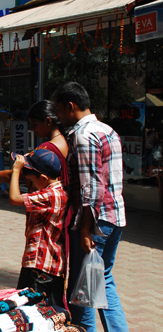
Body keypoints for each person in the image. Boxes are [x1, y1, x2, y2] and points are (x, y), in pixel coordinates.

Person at [53, 82, 128, 331]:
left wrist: (85, 229)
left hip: (95, 222)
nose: (58, 117)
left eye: (59, 111)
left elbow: (91, 188)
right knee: (102, 279)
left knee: (82, 286)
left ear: (70, 107)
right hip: (114, 217)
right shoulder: (108, 130)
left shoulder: (84, 136)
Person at [8, 150, 67, 308]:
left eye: (32, 180)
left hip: (40, 264)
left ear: (43, 178)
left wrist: (16, 170)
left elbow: (14, 198)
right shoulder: (60, 191)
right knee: (50, 310)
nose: (31, 184)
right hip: (50, 264)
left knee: (24, 310)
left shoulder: (50, 195)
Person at [0, 100, 69, 190]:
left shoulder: (47, 149)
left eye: (35, 124)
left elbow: (16, 175)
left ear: (48, 122)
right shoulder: (65, 142)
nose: (32, 129)